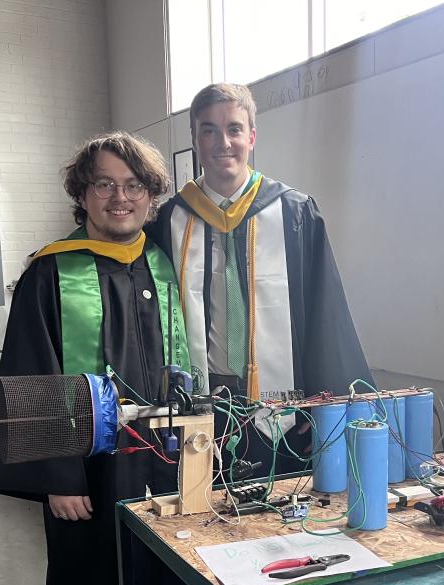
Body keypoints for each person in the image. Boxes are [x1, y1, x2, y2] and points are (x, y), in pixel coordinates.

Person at [0, 132, 188, 585]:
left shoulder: (162, 265)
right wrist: (58, 477)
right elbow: (34, 370)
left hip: (158, 465)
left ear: (151, 197)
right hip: (86, 475)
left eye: (134, 185)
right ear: (83, 194)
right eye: (105, 184)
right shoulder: (52, 268)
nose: (119, 197)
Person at [149, 83, 371, 468]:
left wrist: (326, 401)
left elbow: (325, 312)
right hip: (198, 405)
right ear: (195, 140)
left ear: (251, 137)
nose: (223, 142)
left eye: (234, 129)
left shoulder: (293, 213)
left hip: (282, 412)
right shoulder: (169, 220)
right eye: (209, 130)